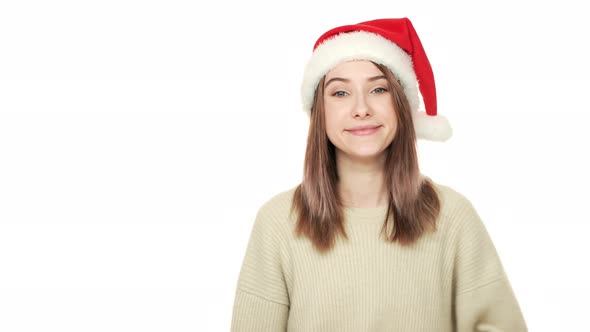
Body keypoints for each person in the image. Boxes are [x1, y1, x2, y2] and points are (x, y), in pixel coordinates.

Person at [230, 17, 527, 331]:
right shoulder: (279, 221)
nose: (361, 108)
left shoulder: (451, 215)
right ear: (320, 112)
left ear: (400, 105)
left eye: (378, 89)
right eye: (340, 93)